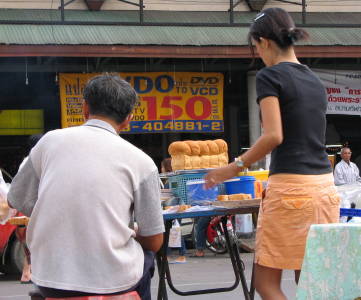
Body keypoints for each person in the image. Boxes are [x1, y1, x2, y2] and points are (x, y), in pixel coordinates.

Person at [204, 8, 339, 300]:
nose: (258, 54)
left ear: (263, 42)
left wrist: (234, 167)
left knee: (266, 284)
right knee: (311, 286)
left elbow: (274, 135)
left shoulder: (270, 76)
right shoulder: (315, 81)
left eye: (255, 48)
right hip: (324, 189)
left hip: (290, 190)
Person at [8, 74, 164, 299]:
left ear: (85, 108)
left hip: (49, 275)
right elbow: (154, 240)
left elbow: (16, 198)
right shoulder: (141, 162)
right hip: (114, 280)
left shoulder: (49, 142)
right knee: (146, 258)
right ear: (128, 119)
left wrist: (56, 213)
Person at [16, 134, 44, 284]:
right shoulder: (35, 160)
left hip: (26, 207)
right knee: (35, 240)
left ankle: (27, 272)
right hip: (35, 207)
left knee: (29, 240)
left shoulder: (26, 161)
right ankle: (28, 272)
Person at [160, 158, 187, 264]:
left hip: (174, 210)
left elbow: (175, 194)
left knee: (175, 231)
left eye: (162, 166)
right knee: (170, 232)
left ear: (166, 167)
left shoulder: (173, 180)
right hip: (172, 209)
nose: (161, 169)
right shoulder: (170, 179)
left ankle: (182, 254)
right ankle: (167, 255)